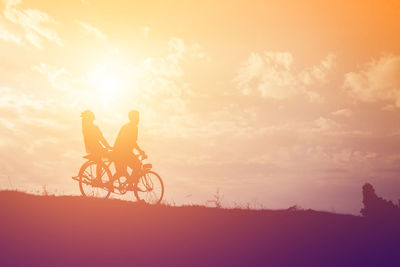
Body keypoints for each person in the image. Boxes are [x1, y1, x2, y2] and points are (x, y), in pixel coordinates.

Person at [113, 110, 146, 186]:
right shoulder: (133, 127)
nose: (138, 119)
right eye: (137, 117)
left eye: (138, 117)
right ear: (132, 118)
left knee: (121, 172)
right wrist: (140, 151)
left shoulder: (127, 126)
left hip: (120, 151)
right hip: (123, 152)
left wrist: (139, 151)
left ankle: (129, 183)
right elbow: (132, 142)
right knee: (137, 165)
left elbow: (131, 142)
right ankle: (130, 184)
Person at [81, 110, 112, 185]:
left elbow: (100, 138)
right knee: (103, 159)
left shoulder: (85, 127)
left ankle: (99, 179)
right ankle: (99, 179)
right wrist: (108, 146)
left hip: (92, 148)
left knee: (100, 161)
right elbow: (101, 138)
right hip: (96, 148)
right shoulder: (92, 127)